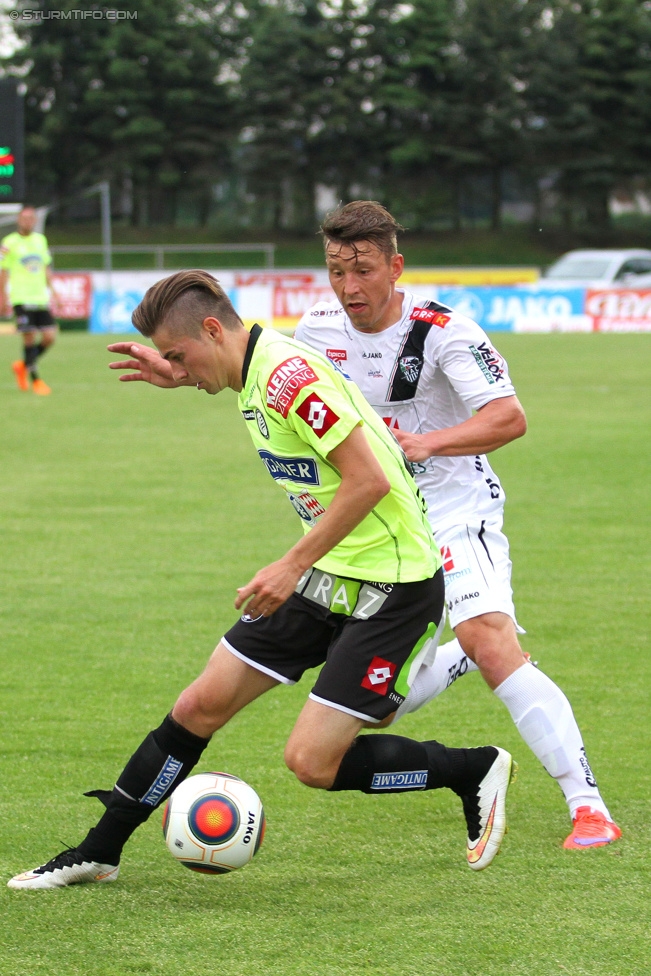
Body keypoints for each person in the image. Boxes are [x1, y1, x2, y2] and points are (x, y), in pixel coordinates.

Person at [8, 269, 516, 891]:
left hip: (396, 584)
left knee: (312, 762)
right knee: (199, 704)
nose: (177, 367)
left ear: (214, 329)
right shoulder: (251, 364)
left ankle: (472, 768)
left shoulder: (286, 378)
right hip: (330, 570)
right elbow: (221, 370)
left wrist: (289, 564)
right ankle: (99, 850)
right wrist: (182, 373)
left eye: (178, 354)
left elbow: (369, 481)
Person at [294, 200, 621, 851]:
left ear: (395, 266)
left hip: (453, 508)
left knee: (488, 637)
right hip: (379, 528)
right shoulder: (315, 330)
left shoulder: (444, 331)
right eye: (335, 271)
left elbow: (507, 417)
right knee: (382, 705)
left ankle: (588, 807)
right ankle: (465, 656)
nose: (348, 286)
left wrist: (424, 444)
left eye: (361, 270)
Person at [0, 205, 57, 396]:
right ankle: (36, 380)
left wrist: (54, 292)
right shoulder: (9, 242)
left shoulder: (40, 240)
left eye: (31, 218)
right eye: (24, 218)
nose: (28, 221)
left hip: (40, 297)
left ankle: (22, 365)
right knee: (29, 337)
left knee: (49, 337)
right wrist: (2, 296)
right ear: (18, 220)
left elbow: (46, 268)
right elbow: (4, 271)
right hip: (21, 297)